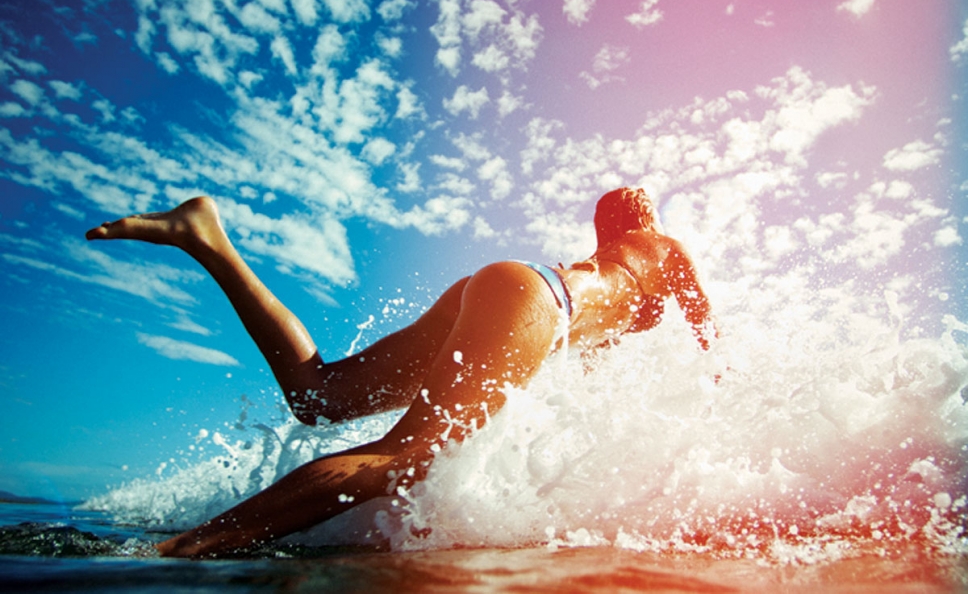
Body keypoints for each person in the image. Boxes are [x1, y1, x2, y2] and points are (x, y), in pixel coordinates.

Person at [85, 187, 716, 558]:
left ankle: (206, 238)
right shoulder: (662, 247)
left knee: (319, 396)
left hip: (511, 289)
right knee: (409, 454)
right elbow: (708, 331)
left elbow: (586, 354)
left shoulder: (615, 264)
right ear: (645, 219)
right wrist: (725, 390)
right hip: (537, 300)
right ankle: (182, 550)